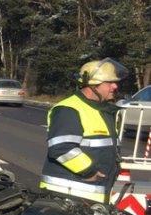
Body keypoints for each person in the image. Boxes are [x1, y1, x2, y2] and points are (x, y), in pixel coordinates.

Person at [39, 58, 128, 204]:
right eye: (109, 82)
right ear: (92, 85)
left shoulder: (102, 110)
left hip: (89, 195)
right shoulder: (69, 109)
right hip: (68, 195)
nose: (115, 86)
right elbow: (62, 149)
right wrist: (89, 171)